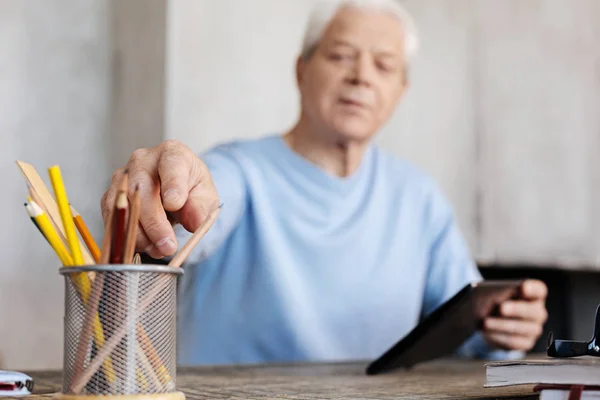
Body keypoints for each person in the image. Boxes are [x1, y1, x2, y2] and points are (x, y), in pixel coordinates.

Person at [101, 0, 548, 366]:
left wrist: (504, 327)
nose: (361, 77)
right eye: (340, 56)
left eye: (384, 66)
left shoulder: (417, 196)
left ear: (400, 91)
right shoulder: (240, 170)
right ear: (301, 70)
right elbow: (195, 209)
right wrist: (167, 189)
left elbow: (468, 325)